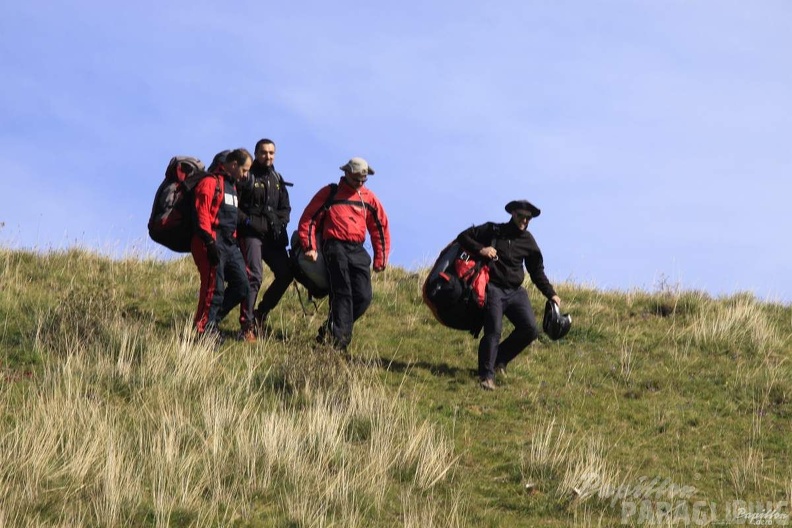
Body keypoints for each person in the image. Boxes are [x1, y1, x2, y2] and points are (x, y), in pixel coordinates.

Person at [456, 200, 562, 390]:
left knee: (530, 329)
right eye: (521, 216)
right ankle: (486, 377)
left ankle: (499, 360)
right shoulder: (494, 230)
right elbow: (463, 237)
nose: (524, 220)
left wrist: (551, 294)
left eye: (528, 218)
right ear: (513, 213)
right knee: (493, 331)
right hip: (494, 289)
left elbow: (536, 271)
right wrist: (482, 249)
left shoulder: (528, 241)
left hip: (516, 292)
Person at [297, 157, 390, 352]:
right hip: (334, 247)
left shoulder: (369, 198)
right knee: (342, 293)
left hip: (358, 249)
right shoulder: (330, 193)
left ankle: (330, 330)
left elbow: (380, 228)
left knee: (363, 296)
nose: (360, 183)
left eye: (363, 180)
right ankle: (338, 343)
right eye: (356, 179)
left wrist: (380, 259)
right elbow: (309, 219)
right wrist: (309, 247)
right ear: (346, 173)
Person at [191, 148, 252, 339]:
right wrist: (209, 243)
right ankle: (204, 330)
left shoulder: (232, 186)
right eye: (244, 170)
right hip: (211, 240)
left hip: (229, 243)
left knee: (242, 285)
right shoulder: (210, 182)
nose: (246, 175)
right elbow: (202, 214)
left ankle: (211, 321)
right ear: (234, 165)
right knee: (213, 288)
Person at [236, 138, 293, 341]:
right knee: (255, 277)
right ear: (256, 153)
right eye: (263, 152)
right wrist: (249, 223)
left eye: (271, 153)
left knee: (286, 273)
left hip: (272, 237)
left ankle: (261, 314)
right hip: (251, 235)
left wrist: (280, 222)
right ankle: (247, 325)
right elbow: (235, 206)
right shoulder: (246, 177)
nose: (267, 156)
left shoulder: (277, 179)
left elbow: (286, 208)